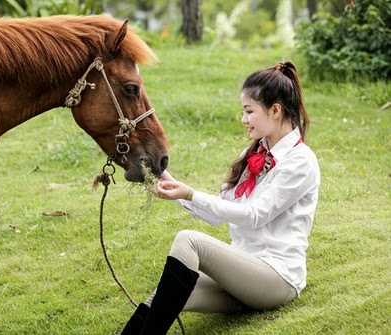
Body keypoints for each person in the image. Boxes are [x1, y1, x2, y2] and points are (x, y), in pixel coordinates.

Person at [121, 61, 320, 335]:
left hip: (277, 279)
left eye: (249, 111)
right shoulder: (250, 154)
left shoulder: (300, 162)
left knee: (189, 240)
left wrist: (191, 193)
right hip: (242, 277)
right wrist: (167, 179)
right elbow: (218, 213)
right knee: (164, 296)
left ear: (275, 111)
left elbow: (254, 216)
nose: (243, 119)